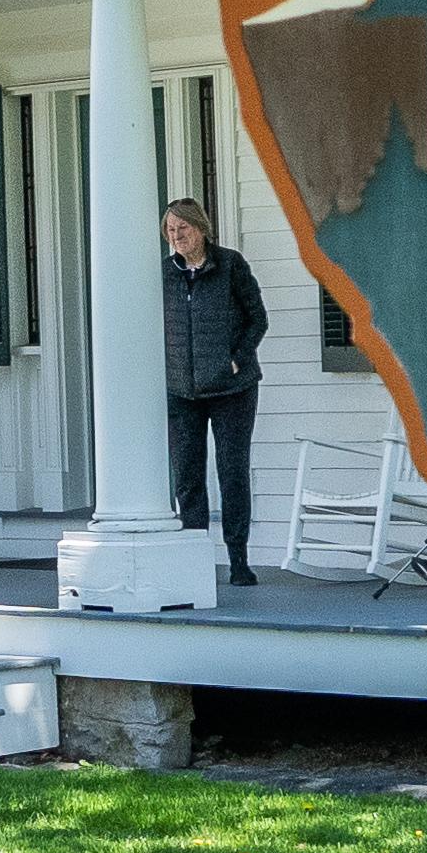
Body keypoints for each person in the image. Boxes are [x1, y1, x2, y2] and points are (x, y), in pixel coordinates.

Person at [160, 194, 270, 585]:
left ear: (201, 228)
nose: (176, 236)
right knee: (187, 477)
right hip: (182, 392)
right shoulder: (164, 274)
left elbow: (258, 318)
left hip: (232, 389)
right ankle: (195, 561)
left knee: (231, 472)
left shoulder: (231, 266)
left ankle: (238, 560)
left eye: (183, 229)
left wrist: (236, 358)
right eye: (170, 230)